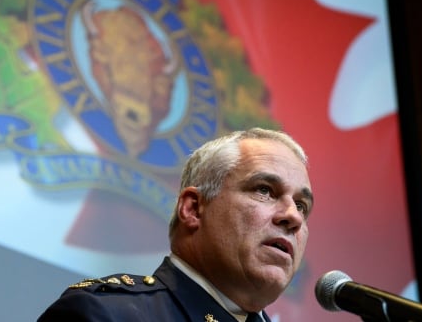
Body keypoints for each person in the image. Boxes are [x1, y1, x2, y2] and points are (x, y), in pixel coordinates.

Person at [37, 127, 314, 321]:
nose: (293, 216)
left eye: (302, 206)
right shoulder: (104, 315)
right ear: (193, 208)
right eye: (264, 190)